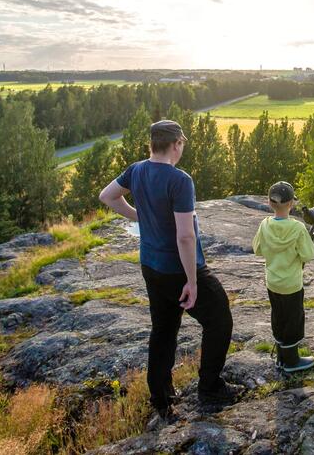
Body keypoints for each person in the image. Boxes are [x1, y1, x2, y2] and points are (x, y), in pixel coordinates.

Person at [99, 119, 237, 423]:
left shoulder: (136, 170)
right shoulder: (179, 180)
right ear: (177, 144)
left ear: (153, 143)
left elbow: (107, 196)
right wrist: (192, 281)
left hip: (151, 265)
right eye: (182, 144)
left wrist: (141, 217)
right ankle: (210, 386)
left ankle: (161, 398)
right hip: (179, 269)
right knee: (220, 319)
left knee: (163, 331)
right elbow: (185, 236)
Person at [252, 181, 314, 373]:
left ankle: (281, 357)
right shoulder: (297, 228)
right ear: (291, 203)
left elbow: (257, 250)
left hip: (272, 283)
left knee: (278, 316)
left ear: (269, 203)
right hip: (291, 285)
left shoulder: (264, 225)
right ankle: (291, 361)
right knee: (293, 320)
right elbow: (307, 255)